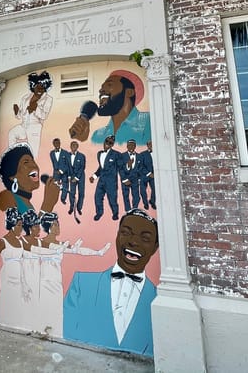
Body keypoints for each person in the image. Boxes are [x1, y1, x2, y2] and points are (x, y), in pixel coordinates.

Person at [62, 209, 159, 356]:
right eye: (126, 233)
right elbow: (66, 336)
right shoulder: (82, 284)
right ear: (117, 235)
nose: (133, 242)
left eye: (145, 239)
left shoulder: (159, 300)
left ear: (155, 247)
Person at [68, 70, 151, 146]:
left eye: (109, 85)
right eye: (102, 87)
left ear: (129, 92)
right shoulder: (98, 135)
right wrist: (81, 139)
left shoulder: (149, 120)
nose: (101, 90)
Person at [0, 143, 60, 214]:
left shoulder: (27, 203)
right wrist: (48, 203)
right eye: (26, 162)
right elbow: (11, 225)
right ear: (12, 176)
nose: (34, 165)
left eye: (33, 161)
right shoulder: (6, 196)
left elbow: (35, 225)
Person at [0, 207, 26, 330]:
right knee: (7, 299)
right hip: (7, 276)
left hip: (19, 276)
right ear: (12, 225)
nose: (21, 228)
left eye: (21, 225)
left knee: (18, 301)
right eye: (19, 225)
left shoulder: (20, 242)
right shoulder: (3, 241)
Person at [8, 71, 53, 155]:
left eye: (42, 88)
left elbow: (44, 116)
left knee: (33, 151)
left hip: (35, 126)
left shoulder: (48, 99)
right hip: (24, 125)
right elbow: (20, 115)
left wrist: (36, 108)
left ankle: (32, 166)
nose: (40, 90)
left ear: (46, 87)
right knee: (12, 133)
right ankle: (12, 156)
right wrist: (17, 112)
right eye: (37, 87)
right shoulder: (26, 97)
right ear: (33, 86)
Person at [90, 135, 121, 221]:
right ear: (104, 142)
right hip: (101, 181)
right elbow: (101, 167)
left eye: (110, 143)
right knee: (97, 197)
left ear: (112, 145)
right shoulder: (99, 154)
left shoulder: (116, 154)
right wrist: (94, 176)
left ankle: (115, 213)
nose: (107, 144)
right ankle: (99, 213)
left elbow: (122, 167)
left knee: (112, 199)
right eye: (106, 141)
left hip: (111, 182)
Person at [119, 139, 143, 210]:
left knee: (136, 196)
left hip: (135, 179)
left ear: (135, 146)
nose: (131, 147)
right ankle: (128, 211)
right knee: (126, 196)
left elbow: (141, 168)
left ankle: (134, 209)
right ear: (127, 146)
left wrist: (139, 178)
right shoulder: (122, 156)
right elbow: (120, 169)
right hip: (125, 179)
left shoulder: (139, 156)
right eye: (129, 145)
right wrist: (124, 179)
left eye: (133, 145)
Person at [65, 140, 86, 216]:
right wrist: (69, 177)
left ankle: (79, 208)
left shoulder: (82, 156)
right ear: (70, 147)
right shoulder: (67, 155)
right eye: (72, 145)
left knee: (81, 193)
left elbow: (82, 167)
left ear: (77, 147)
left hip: (80, 177)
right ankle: (71, 208)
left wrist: (76, 178)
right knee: (72, 193)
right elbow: (67, 167)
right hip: (71, 177)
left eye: (75, 145)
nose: (74, 147)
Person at [49, 137, 68, 203]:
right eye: (55, 143)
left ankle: (63, 198)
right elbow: (53, 163)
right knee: (54, 186)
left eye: (58, 143)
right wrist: (56, 171)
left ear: (60, 143)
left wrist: (61, 171)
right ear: (53, 144)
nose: (56, 144)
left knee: (65, 185)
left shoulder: (65, 153)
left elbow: (67, 164)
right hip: (56, 172)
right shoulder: (51, 153)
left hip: (64, 172)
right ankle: (53, 199)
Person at [140, 140, 155, 210]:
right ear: (147, 145)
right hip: (144, 175)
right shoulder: (142, 154)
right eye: (149, 144)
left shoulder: (157, 153)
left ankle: (152, 201)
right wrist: (149, 173)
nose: (151, 145)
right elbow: (141, 166)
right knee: (143, 190)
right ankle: (145, 203)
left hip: (154, 176)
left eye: (152, 144)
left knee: (155, 189)